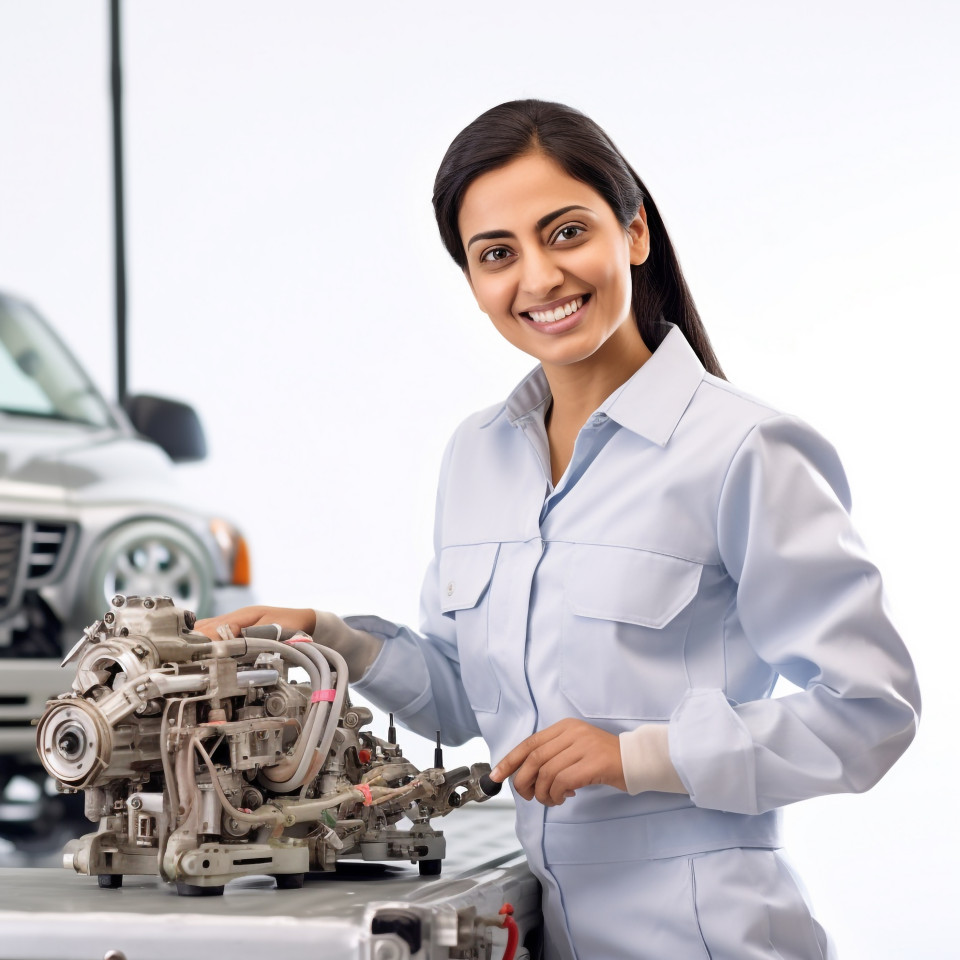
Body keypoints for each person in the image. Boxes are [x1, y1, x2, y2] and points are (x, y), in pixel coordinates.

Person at [197, 100, 920, 960]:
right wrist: (332, 641)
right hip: (545, 924)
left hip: (710, 935)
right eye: (496, 254)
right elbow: (473, 701)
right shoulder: (477, 454)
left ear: (635, 233)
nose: (537, 279)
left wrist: (636, 756)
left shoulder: (745, 449)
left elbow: (871, 713)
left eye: (565, 233)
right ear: (471, 281)